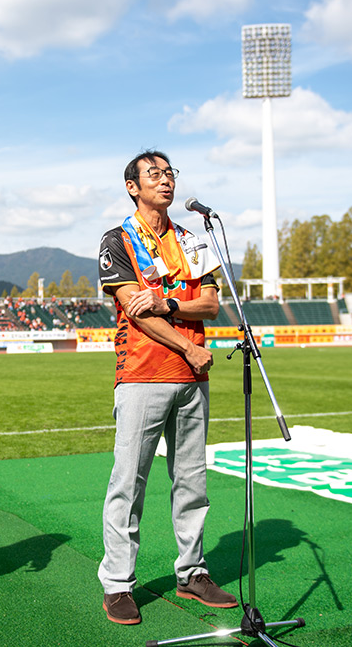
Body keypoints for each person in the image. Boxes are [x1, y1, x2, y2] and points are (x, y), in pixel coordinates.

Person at [96, 150, 236, 625]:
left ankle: (192, 572)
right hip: (143, 374)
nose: (165, 181)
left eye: (170, 174)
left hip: (192, 379)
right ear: (132, 187)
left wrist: (169, 303)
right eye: (153, 174)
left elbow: (211, 305)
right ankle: (118, 584)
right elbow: (135, 309)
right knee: (128, 484)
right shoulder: (117, 239)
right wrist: (189, 345)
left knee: (192, 481)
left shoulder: (193, 240)